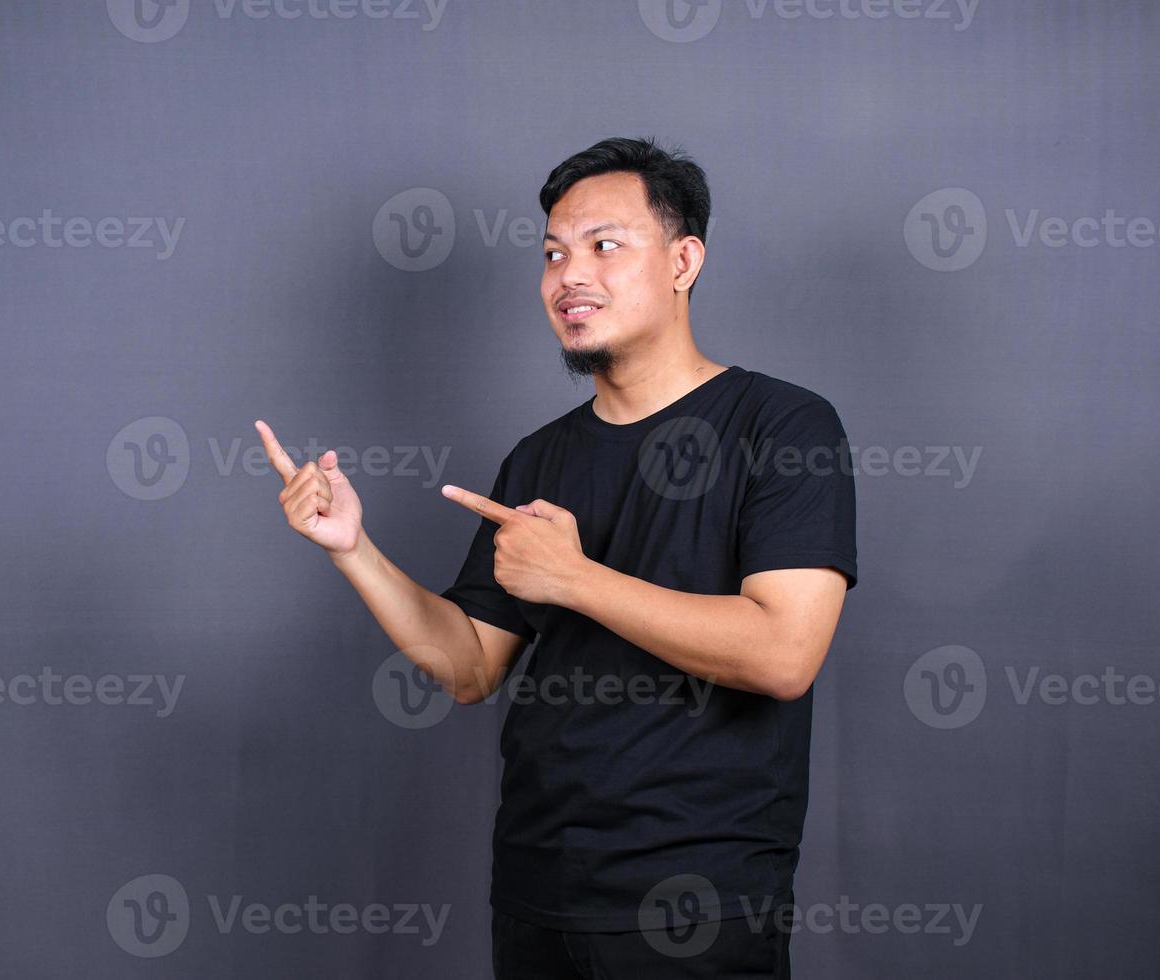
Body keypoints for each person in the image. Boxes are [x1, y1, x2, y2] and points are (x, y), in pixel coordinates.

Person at [256, 136, 857, 978]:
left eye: (605, 246)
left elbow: (785, 653)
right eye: (552, 254)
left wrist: (573, 578)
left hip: (699, 902)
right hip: (539, 891)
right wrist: (354, 550)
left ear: (684, 260)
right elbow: (468, 665)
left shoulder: (784, 428)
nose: (569, 276)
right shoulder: (540, 458)